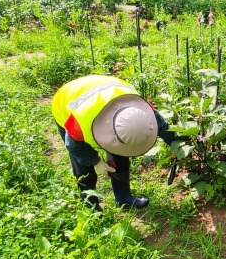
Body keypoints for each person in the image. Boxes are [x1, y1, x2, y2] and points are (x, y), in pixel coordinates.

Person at [52, 75, 175, 211]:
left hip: (107, 91)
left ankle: (123, 198)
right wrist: (97, 161)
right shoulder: (80, 122)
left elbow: (163, 127)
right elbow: (74, 147)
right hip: (66, 102)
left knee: (120, 154)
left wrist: (175, 144)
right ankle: (91, 207)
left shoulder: (141, 111)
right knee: (83, 169)